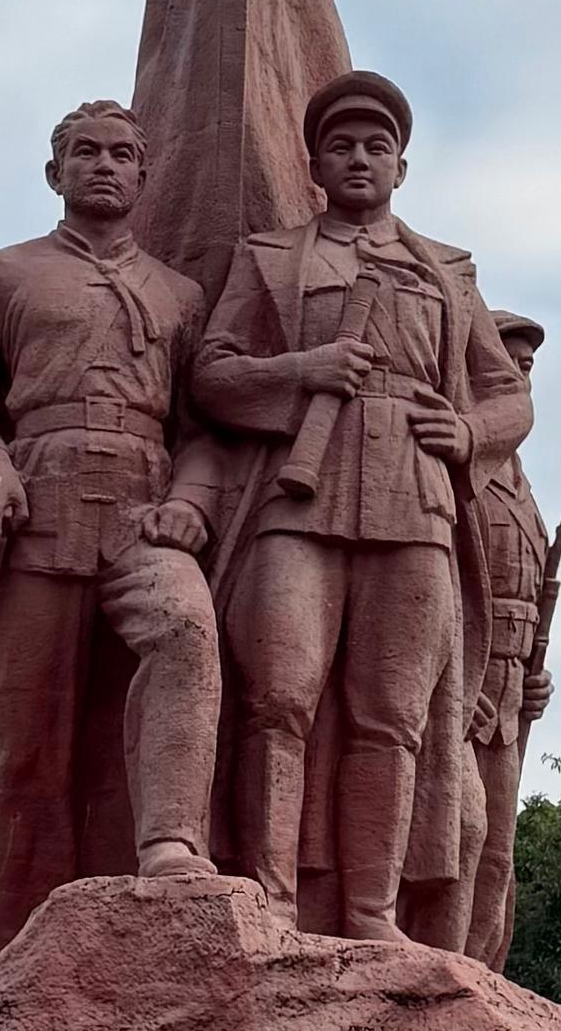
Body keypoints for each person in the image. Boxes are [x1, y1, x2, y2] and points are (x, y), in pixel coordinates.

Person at [191, 70, 529, 941]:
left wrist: (467, 430)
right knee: (278, 695)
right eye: (340, 145)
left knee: (392, 717)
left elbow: (508, 396)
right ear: (313, 164)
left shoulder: (447, 272)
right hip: (296, 494)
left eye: (376, 147)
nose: (358, 159)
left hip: (413, 500)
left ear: (400, 168)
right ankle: (270, 898)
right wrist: (299, 370)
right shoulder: (269, 258)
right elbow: (212, 375)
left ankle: (371, 914)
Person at [0, 99, 224, 957]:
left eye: (121, 154)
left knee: (186, 632)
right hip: (39, 505)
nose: (103, 165)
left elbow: (204, 426)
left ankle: (169, 842)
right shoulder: (8, 273)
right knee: (26, 737)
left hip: (141, 504)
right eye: (85, 152)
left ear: (143, 176)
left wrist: (192, 502)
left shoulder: (179, 295)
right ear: (55, 172)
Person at [461, 309, 555, 972]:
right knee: (454, 836)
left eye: (528, 368)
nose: (521, 376)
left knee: (497, 853)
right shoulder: (460, 469)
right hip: (463, 685)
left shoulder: (523, 487)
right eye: (509, 362)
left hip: (512, 691)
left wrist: (535, 679)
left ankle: (479, 980)